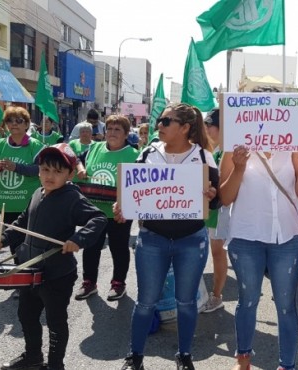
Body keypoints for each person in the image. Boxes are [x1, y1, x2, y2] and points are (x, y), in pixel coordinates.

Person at [117, 103, 220, 370]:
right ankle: (135, 356)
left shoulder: (203, 157)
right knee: (145, 302)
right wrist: (123, 206)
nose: (158, 126)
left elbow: (217, 198)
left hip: (191, 240)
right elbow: (133, 191)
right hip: (152, 238)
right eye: (159, 121)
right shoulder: (148, 153)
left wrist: (212, 195)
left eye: (165, 121)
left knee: (186, 302)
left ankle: (184, 355)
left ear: (185, 128)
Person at [0, 143, 107, 370]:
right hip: (31, 271)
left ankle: (56, 364)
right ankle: (33, 356)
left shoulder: (72, 198)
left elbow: (97, 219)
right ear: (38, 170)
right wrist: (3, 238)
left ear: (69, 174)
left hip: (57, 273)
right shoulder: (37, 193)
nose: (49, 176)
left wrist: (79, 240)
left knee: (56, 321)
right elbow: (21, 223)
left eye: (57, 172)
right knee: (26, 316)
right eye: (45, 169)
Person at [219, 130, 298, 369]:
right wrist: (239, 168)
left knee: (286, 305)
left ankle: (288, 365)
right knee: (248, 300)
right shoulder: (235, 147)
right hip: (246, 237)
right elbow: (226, 197)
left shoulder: (292, 148)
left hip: (286, 236)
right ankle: (243, 358)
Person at [74, 115, 139, 301]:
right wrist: (80, 168)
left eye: (117, 129)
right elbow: (78, 159)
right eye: (109, 129)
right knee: (91, 247)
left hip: (119, 213)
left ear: (126, 134)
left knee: (118, 248)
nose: (112, 133)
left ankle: (118, 284)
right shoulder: (94, 148)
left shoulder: (135, 155)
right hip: (94, 211)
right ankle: (89, 282)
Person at [0, 106, 45, 264]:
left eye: (19, 120)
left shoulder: (36, 146)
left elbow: (42, 170)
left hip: (29, 204)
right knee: (14, 245)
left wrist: (16, 167)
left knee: (29, 245)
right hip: (6, 205)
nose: (14, 124)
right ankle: (22, 283)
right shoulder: (0, 144)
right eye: (9, 120)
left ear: (27, 124)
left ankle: (33, 281)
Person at [201, 108, 228, 313]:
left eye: (209, 125)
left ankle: (217, 296)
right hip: (212, 209)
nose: (206, 129)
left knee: (219, 253)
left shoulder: (227, 151)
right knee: (215, 252)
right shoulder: (209, 151)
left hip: (226, 210)